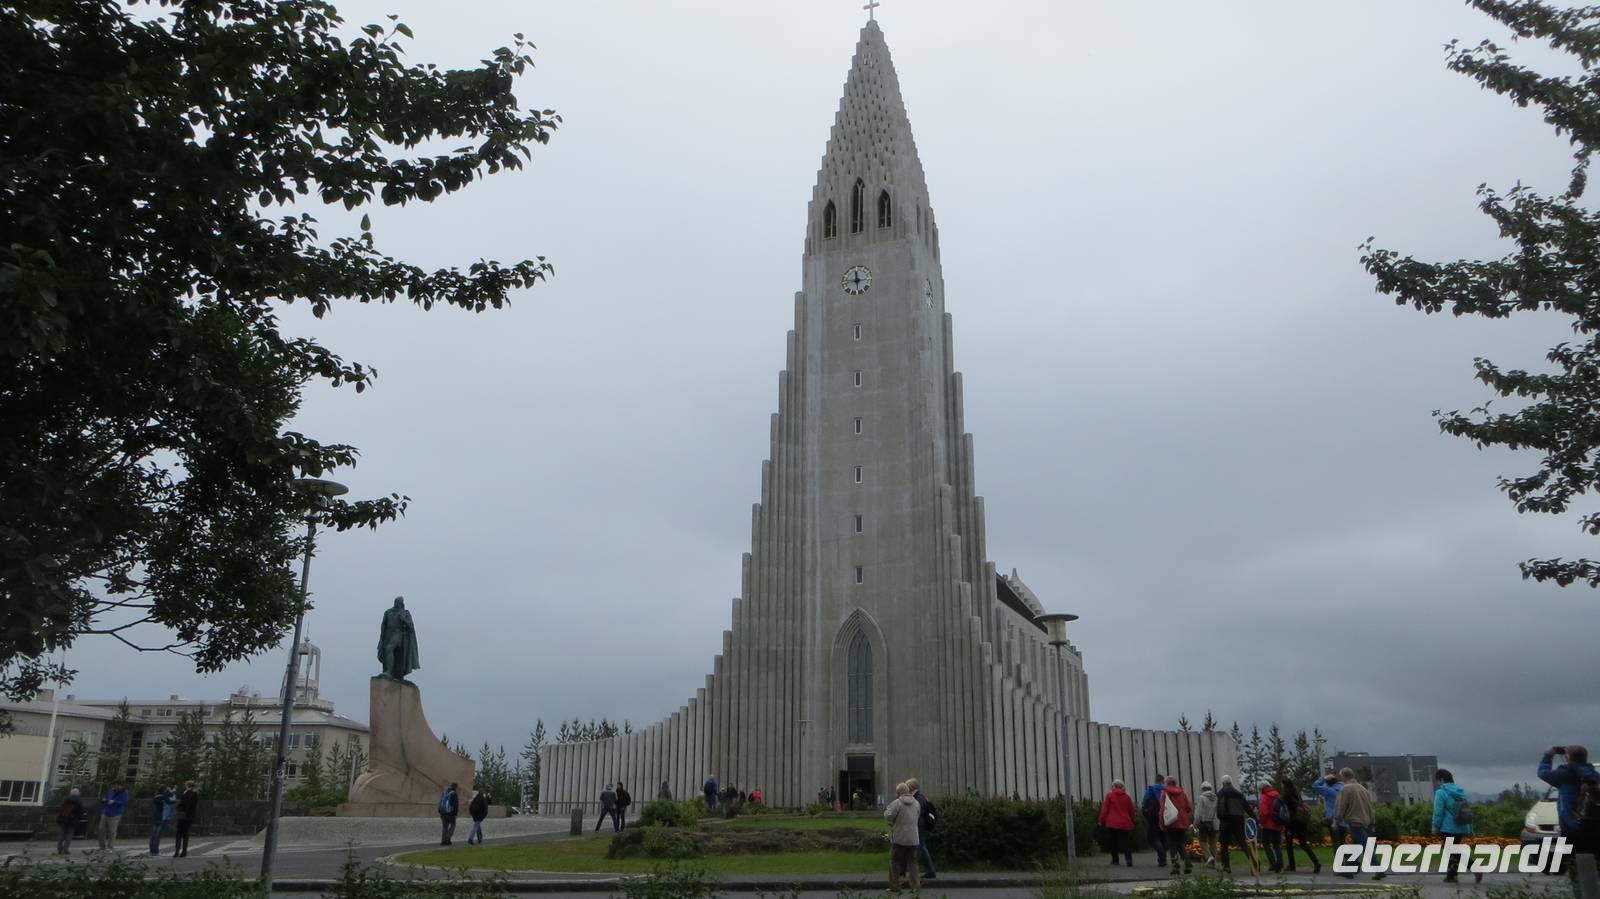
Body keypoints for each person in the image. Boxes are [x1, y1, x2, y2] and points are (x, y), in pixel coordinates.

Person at [1539, 744, 1600, 871]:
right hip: (1593, 825)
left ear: (1568, 757)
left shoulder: (1565, 774)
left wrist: (1548, 756)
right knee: (1594, 863)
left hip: (1571, 825)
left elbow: (1543, 773)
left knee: (1574, 865)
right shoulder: (1593, 773)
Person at [1333, 768, 1382, 880]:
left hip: (1354, 821)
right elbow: (1370, 807)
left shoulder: (1346, 789)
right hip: (1364, 820)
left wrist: (1337, 821)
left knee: (1365, 847)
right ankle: (1350, 869)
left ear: (1344, 776)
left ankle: (1378, 870)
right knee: (1357, 846)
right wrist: (1372, 822)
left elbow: (1342, 806)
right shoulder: (1363, 789)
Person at [1432, 769, 1479, 884]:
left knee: (1453, 851)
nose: (1438, 783)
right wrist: (1470, 829)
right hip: (1461, 826)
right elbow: (1466, 811)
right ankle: (1451, 875)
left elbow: (1438, 812)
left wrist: (1435, 826)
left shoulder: (1441, 792)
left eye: (1438, 780)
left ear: (1442, 779)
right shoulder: (1460, 792)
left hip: (1447, 827)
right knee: (1453, 851)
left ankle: (1475, 867)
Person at [884, 781, 922, 893]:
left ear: (899, 793)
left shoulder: (897, 803)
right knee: (913, 863)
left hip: (899, 837)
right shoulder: (916, 803)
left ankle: (895, 887)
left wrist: (886, 812)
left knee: (894, 862)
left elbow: (888, 816)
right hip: (914, 838)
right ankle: (915, 887)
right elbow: (917, 816)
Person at [1280, 778, 1320, 874]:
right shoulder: (1296, 793)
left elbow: (1285, 808)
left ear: (1284, 785)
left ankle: (1292, 865)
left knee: (1289, 844)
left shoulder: (1286, 796)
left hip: (1292, 822)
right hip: (1301, 821)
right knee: (1303, 843)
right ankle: (1316, 862)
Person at [1215, 775, 1253, 874]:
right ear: (1231, 782)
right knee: (1243, 843)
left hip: (1226, 822)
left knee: (1224, 845)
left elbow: (1220, 809)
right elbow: (1247, 808)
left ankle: (1226, 867)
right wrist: (1255, 818)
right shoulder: (1239, 794)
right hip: (1238, 822)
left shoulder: (1221, 793)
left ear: (1223, 783)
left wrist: (1220, 817)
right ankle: (1254, 862)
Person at [1099, 779, 1137, 866]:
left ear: (1113, 786)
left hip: (1112, 823)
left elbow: (1105, 809)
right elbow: (1131, 810)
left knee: (1113, 841)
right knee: (1126, 842)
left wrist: (1101, 820)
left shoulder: (1109, 796)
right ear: (1123, 787)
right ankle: (1129, 860)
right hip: (1124, 822)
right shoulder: (1127, 797)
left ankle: (1115, 860)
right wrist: (1133, 820)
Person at [1162, 776, 1194, 875]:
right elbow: (1189, 808)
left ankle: (1175, 867)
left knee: (1172, 844)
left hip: (1171, 822)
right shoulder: (1182, 792)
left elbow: (1162, 809)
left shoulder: (1165, 793)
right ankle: (1188, 863)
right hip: (1183, 822)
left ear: (1166, 783)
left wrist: (1161, 822)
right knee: (1180, 843)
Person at [908, 777, 938, 880]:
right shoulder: (919, 796)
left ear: (911, 787)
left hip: (919, 825)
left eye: (908, 786)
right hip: (919, 825)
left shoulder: (918, 798)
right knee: (920, 847)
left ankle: (930, 870)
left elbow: (917, 812)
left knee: (921, 847)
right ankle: (927, 870)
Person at [1310, 772, 1344, 849]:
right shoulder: (1343, 787)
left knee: (1336, 842)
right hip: (1344, 817)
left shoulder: (1329, 791)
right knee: (1342, 840)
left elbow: (1315, 786)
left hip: (1333, 817)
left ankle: (1340, 860)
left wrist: (1324, 778)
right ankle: (1350, 859)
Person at [1256, 779, 1283, 873]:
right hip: (1278, 823)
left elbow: (1264, 812)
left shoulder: (1264, 796)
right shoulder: (1277, 794)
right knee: (1277, 845)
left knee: (1266, 843)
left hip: (1268, 824)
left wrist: (1261, 822)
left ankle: (1273, 863)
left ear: (1261, 788)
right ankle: (1280, 863)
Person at [1141, 774, 1167, 867]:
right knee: (1163, 836)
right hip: (1165, 816)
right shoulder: (1166, 790)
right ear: (1163, 781)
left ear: (1155, 780)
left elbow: (1144, 802)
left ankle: (1161, 854)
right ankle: (1162, 860)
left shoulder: (1151, 789)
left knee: (1154, 837)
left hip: (1153, 816)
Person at [1193, 781, 1219, 868]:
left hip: (1204, 823)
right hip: (1214, 824)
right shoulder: (1216, 798)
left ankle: (1209, 857)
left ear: (1202, 789)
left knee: (1202, 841)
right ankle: (1214, 864)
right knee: (1213, 844)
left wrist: (1195, 824)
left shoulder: (1202, 798)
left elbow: (1198, 813)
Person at [97, 781, 128, 850]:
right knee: (101, 830)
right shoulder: (110, 790)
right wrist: (104, 800)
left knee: (112, 831)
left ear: (121, 786)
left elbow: (124, 801)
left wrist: (114, 802)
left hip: (115, 814)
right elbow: (104, 797)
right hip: (105, 812)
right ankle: (102, 847)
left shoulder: (124, 792)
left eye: (118, 785)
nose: (116, 787)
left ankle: (110, 847)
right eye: (115, 785)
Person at [147, 784, 176, 855]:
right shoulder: (163, 797)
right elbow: (171, 801)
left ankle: (151, 851)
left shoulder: (156, 796)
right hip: (160, 817)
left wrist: (170, 792)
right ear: (164, 790)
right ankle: (155, 851)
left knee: (153, 835)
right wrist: (173, 793)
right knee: (157, 835)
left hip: (154, 816)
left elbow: (166, 797)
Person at [173, 781, 199, 858]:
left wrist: (179, 809)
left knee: (179, 834)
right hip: (189, 816)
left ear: (187, 785)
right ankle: (184, 852)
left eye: (185, 785)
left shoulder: (186, 793)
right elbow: (193, 806)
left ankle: (177, 851)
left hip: (183, 816)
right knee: (185, 834)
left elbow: (184, 804)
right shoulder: (195, 794)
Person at [56, 787, 84, 855]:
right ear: (78, 794)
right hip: (72, 821)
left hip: (63, 819)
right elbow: (80, 813)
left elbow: (61, 809)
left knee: (61, 834)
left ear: (71, 793)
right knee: (69, 835)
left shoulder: (66, 799)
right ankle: (65, 850)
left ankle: (59, 849)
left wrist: (59, 819)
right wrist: (77, 820)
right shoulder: (79, 801)